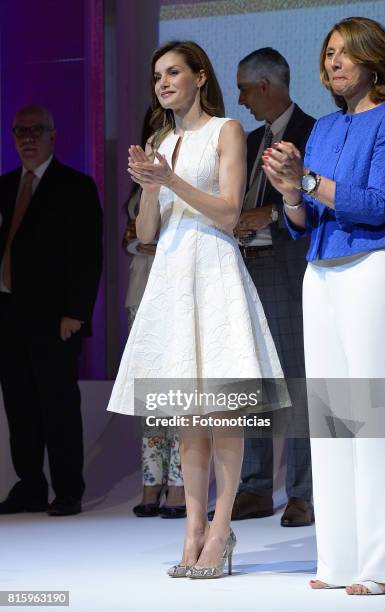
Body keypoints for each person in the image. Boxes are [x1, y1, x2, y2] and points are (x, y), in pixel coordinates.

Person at [107, 40, 288, 578]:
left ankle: (221, 527)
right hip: (172, 275)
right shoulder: (161, 140)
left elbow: (230, 211)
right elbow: (146, 235)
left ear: (199, 76)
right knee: (189, 412)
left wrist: (171, 180)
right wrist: (147, 188)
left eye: (173, 73)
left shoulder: (225, 132)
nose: (162, 83)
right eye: (156, 76)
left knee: (223, 410)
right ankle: (192, 530)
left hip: (214, 268)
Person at [263, 16, 385, 596]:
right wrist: (291, 192)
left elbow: (377, 203)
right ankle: (339, 561)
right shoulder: (325, 128)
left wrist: (306, 181)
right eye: (328, 54)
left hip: (369, 268)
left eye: (345, 53)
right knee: (335, 423)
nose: (334, 63)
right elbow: (301, 221)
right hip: (322, 270)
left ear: (373, 58)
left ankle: (379, 564)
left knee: (372, 421)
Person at [225, 48, 315, 526]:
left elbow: (322, 201)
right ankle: (256, 487)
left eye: (243, 88)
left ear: (264, 86)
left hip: (287, 266)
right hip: (244, 268)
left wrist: (273, 214)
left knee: (297, 379)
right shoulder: (250, 140)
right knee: (251, 378)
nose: (239, 99)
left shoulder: (316, 132)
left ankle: (302, 492)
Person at [0, 104, 103, 516]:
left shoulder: (75, 187)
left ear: (53, 136)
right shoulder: (4, 186)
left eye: (36, 130)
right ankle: (29, 485)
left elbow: (86, 256)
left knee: (57, 406)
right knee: (19, 406)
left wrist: (76, 311)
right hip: (7, 315)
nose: (27, 138)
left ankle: (67, 489)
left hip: (55, 319)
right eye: (19, 131)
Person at [123, 148, 186, 519]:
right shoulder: (142, 177)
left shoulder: (190, 167)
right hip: (141, 288)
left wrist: (150, 241)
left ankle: (179, 484)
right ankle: (151, 479)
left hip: (177, 286)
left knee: (179, 391)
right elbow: (132, 236)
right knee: (150, 395)